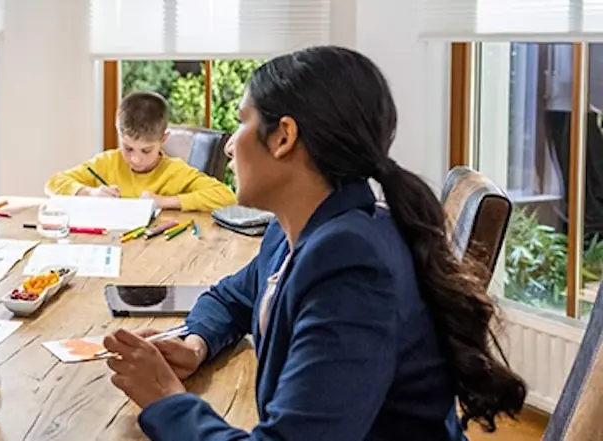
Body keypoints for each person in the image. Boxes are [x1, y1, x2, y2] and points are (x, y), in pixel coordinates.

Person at [102, 46, 527, 440]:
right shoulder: (297, 233)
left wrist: (165, 399)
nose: (230, 145)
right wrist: (196, 343)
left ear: (283, 137)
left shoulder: (352, 265)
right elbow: (233, 297)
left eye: (242, 121)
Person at [44, 91, 235, 211]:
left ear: (163, 140)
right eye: (128, 148)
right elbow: (53, 184)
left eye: (146, 150)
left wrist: (163, 201)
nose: (135, 159)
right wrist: (90, 193)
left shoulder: (174, 171)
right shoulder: (108, 162)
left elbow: (226, 197)